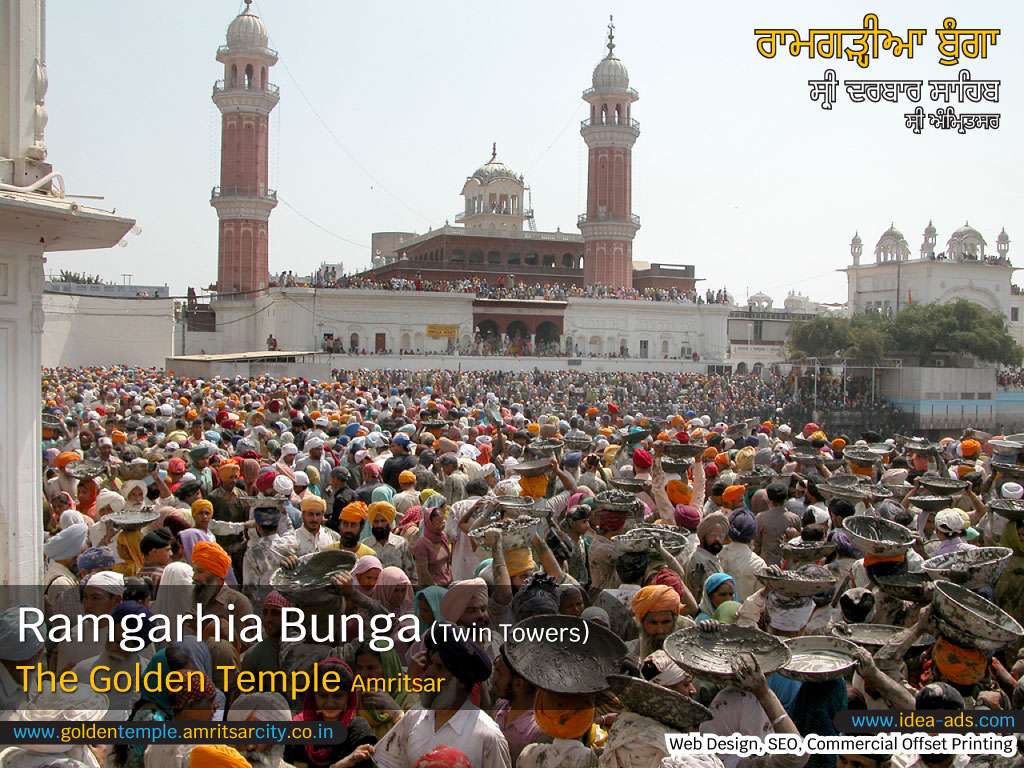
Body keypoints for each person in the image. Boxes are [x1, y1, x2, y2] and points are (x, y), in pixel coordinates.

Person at [375, 630, 511, 768]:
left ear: (461, 680)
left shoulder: (488, 736)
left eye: (440, 667)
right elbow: (384, 763)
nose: (428, 673)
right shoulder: (415, 716)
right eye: (431, 664)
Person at [286, 657, 376, 768]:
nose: (330, 704)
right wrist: (342, 764)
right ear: (313, 696)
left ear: (349, 697)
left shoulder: (358, 732)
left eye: (338, 696)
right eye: (323, 695)